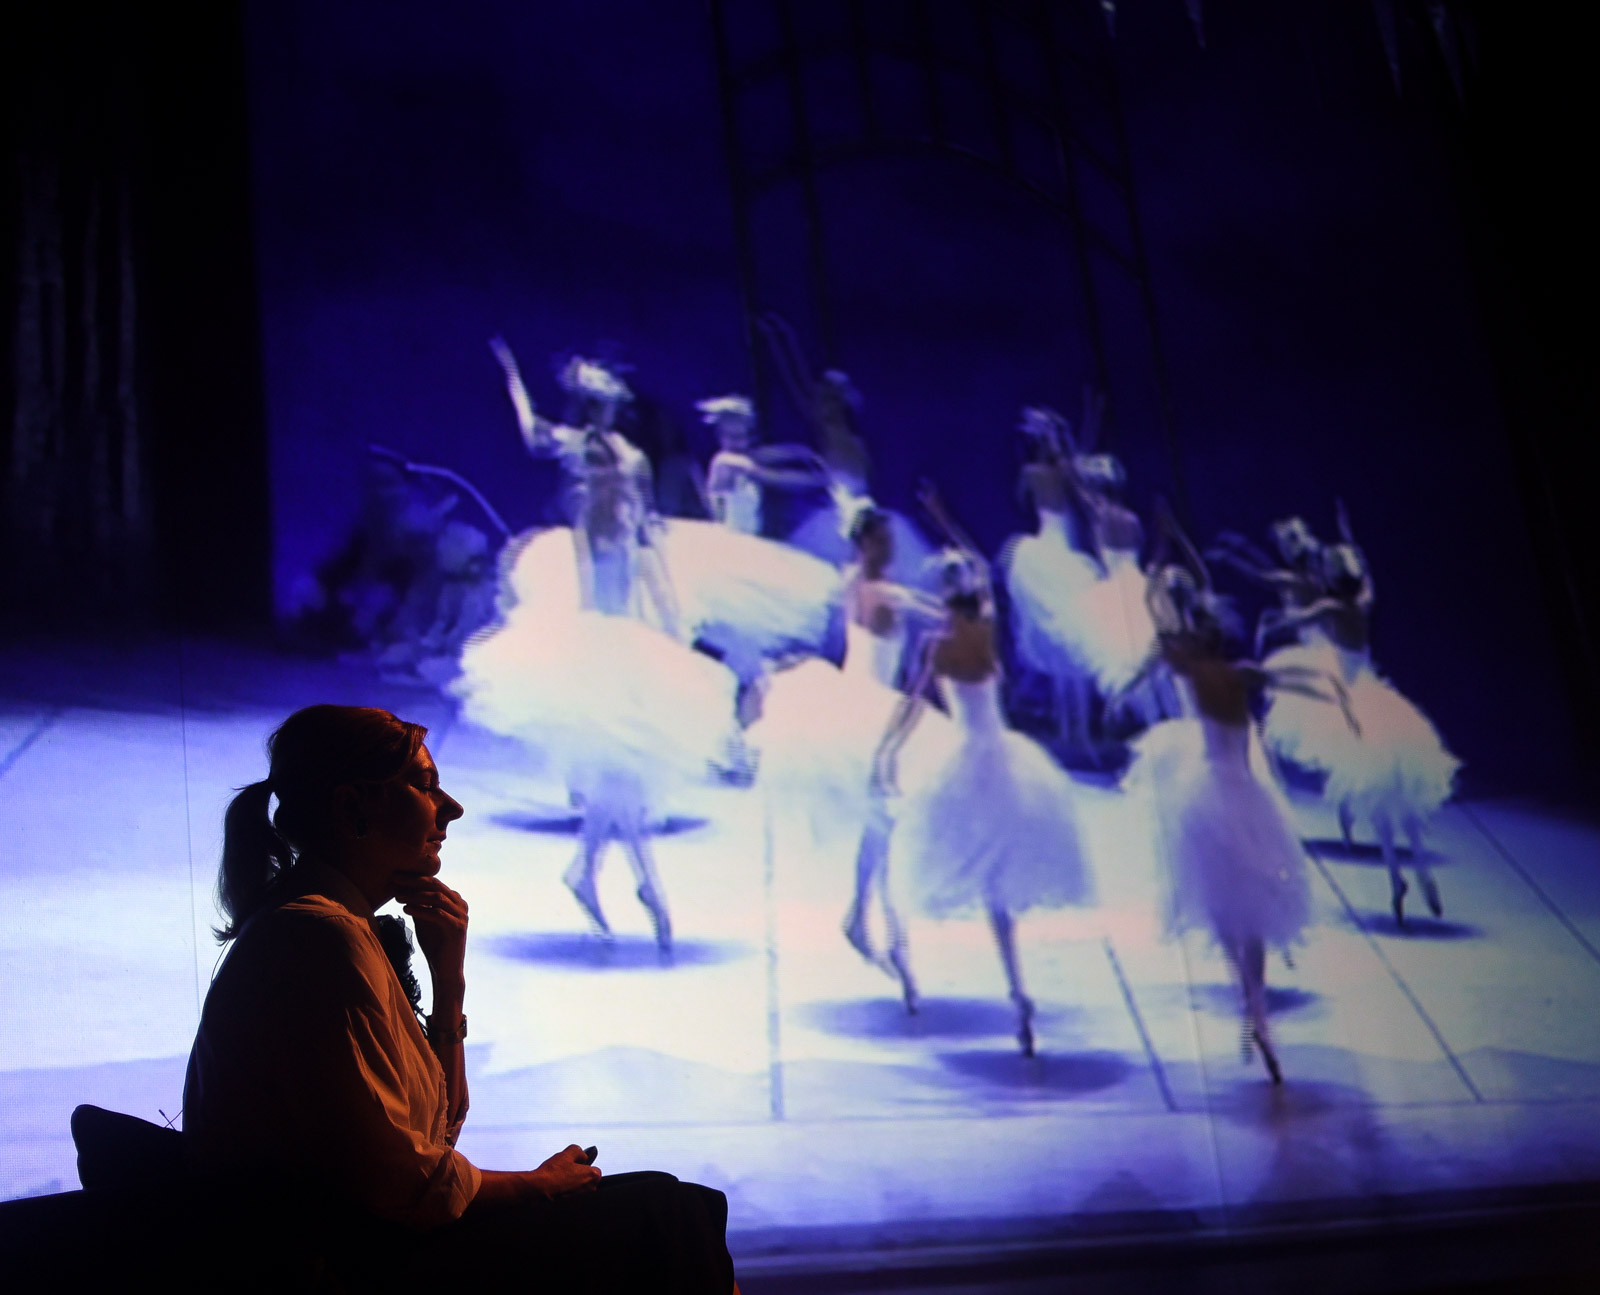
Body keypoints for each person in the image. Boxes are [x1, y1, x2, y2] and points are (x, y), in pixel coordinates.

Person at [182, 705, 738, 1291]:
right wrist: (539, 1185)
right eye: (425, 786)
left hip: (368, 1245)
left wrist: (449, 982)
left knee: (681, 1206)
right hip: (343, 1266)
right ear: (351, 808)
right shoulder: (320, 937)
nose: (452, 808)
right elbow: (413, 1184)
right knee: (668, 1216)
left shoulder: (330, 927)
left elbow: (434, 1137)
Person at [1114, 510, 1358, 1082]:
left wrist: (1164, 549)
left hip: (1209, 796)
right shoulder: (1233, 671)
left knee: (1228, 904)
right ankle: (1256, 1005)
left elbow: (1157, 609)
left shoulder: (1191, 666)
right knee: (1249, 904)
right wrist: (1331, 690)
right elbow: (1288, 680)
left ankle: (1250, 999)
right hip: (1241, 794)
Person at [872, 485, 1095, 1056]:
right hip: (1005, 758)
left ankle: (921, 961)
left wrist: (888, 751)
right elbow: (977, 563)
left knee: (936, 860)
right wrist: (946, 517)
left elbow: (911, 703)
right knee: (999, 888)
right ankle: (1018, 991)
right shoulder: (987, 627)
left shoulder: (939, 645)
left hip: (966, 764)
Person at [1256, 510, 1461, 926]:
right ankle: (1420, 869)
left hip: (1352, 703)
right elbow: (1368, 580)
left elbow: (1298, 618)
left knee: (1377, 800)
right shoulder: (1362, 605)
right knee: (1399, 800)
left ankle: (1396, 876)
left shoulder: (1329, 607)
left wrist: (1274, 623)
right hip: (1378, 698)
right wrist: (1352, 541)